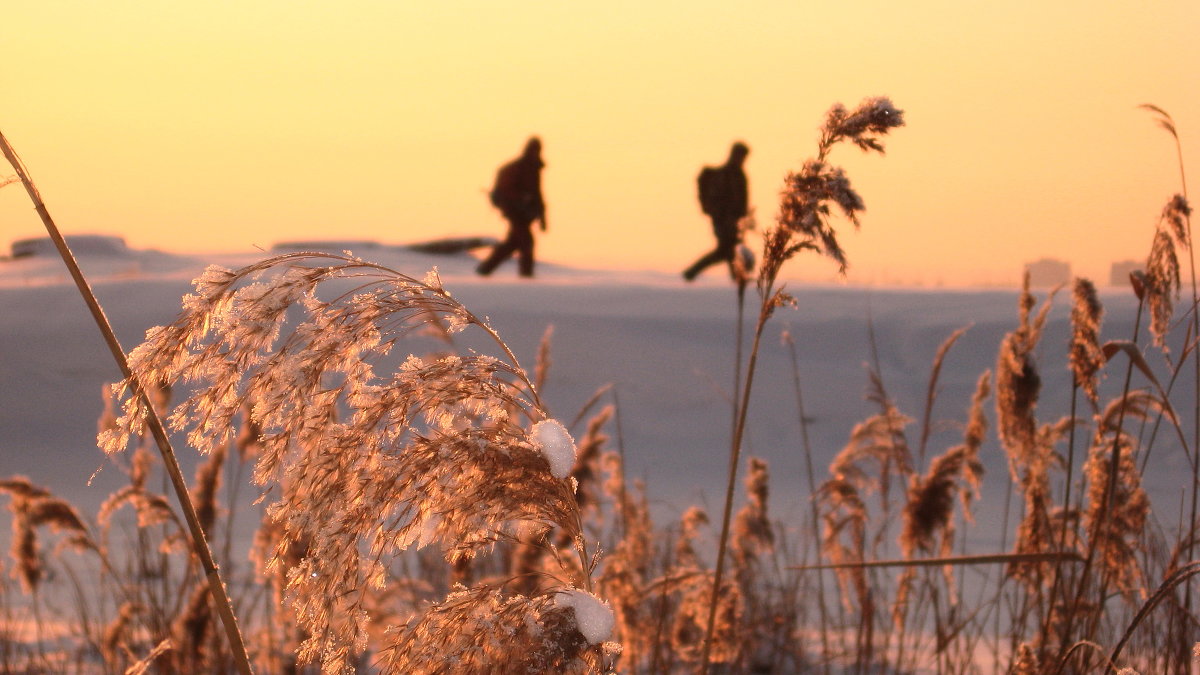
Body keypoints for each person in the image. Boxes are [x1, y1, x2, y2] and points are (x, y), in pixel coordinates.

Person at [477, 137, 547, 278]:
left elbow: (537, 193)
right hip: (514, 212)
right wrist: (522, 199)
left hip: (525, 214)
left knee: (513, 243)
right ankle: (526, 276)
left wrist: (542, 216)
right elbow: (507, 190)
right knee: (526, 243)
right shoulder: (518, 168)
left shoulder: (533, 169)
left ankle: (484, 271)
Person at [683, 142, 749, 281]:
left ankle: (735, 277)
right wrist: (722, 216)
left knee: (729, 249)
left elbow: (742, 200)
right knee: (726, 249)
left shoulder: (738, 175)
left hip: (732, 219)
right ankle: (692, 272)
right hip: (723, 219)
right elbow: (722, 200)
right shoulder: (726, 175)